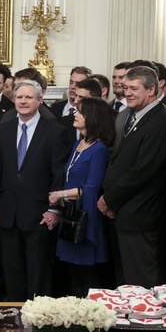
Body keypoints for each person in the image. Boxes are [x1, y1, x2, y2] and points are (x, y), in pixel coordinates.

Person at [0, 80, 70, 301]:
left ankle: (36, 323)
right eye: (19, 97)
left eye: (28, 97)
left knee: (38, 275)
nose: (23, 101)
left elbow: (58, 174)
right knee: (12, 273)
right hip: (7, 214)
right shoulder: (4, 130)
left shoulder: (55, 131)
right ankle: (13, 324)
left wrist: (55, 210)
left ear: (40, 100)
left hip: (39, 215)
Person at [98, 66, 166, 287]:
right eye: (125, 88)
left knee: (141, 281)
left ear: (151, 89)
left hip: (142, 213)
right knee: (126, 281)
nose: (127, 93)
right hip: (126, 211)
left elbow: (143, 170)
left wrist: (110, 199)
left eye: (134, 88)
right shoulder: (134, 115)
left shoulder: (160, 119)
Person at [49, 97, 115, 297]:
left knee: (87, 275)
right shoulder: (79, 143)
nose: (74, 114)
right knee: (72, 273)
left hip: (87, 219)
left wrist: (63, 194)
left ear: (92, 117)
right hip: (71, 215)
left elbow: (92, 188)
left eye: (80, 112)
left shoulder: (100, 149)